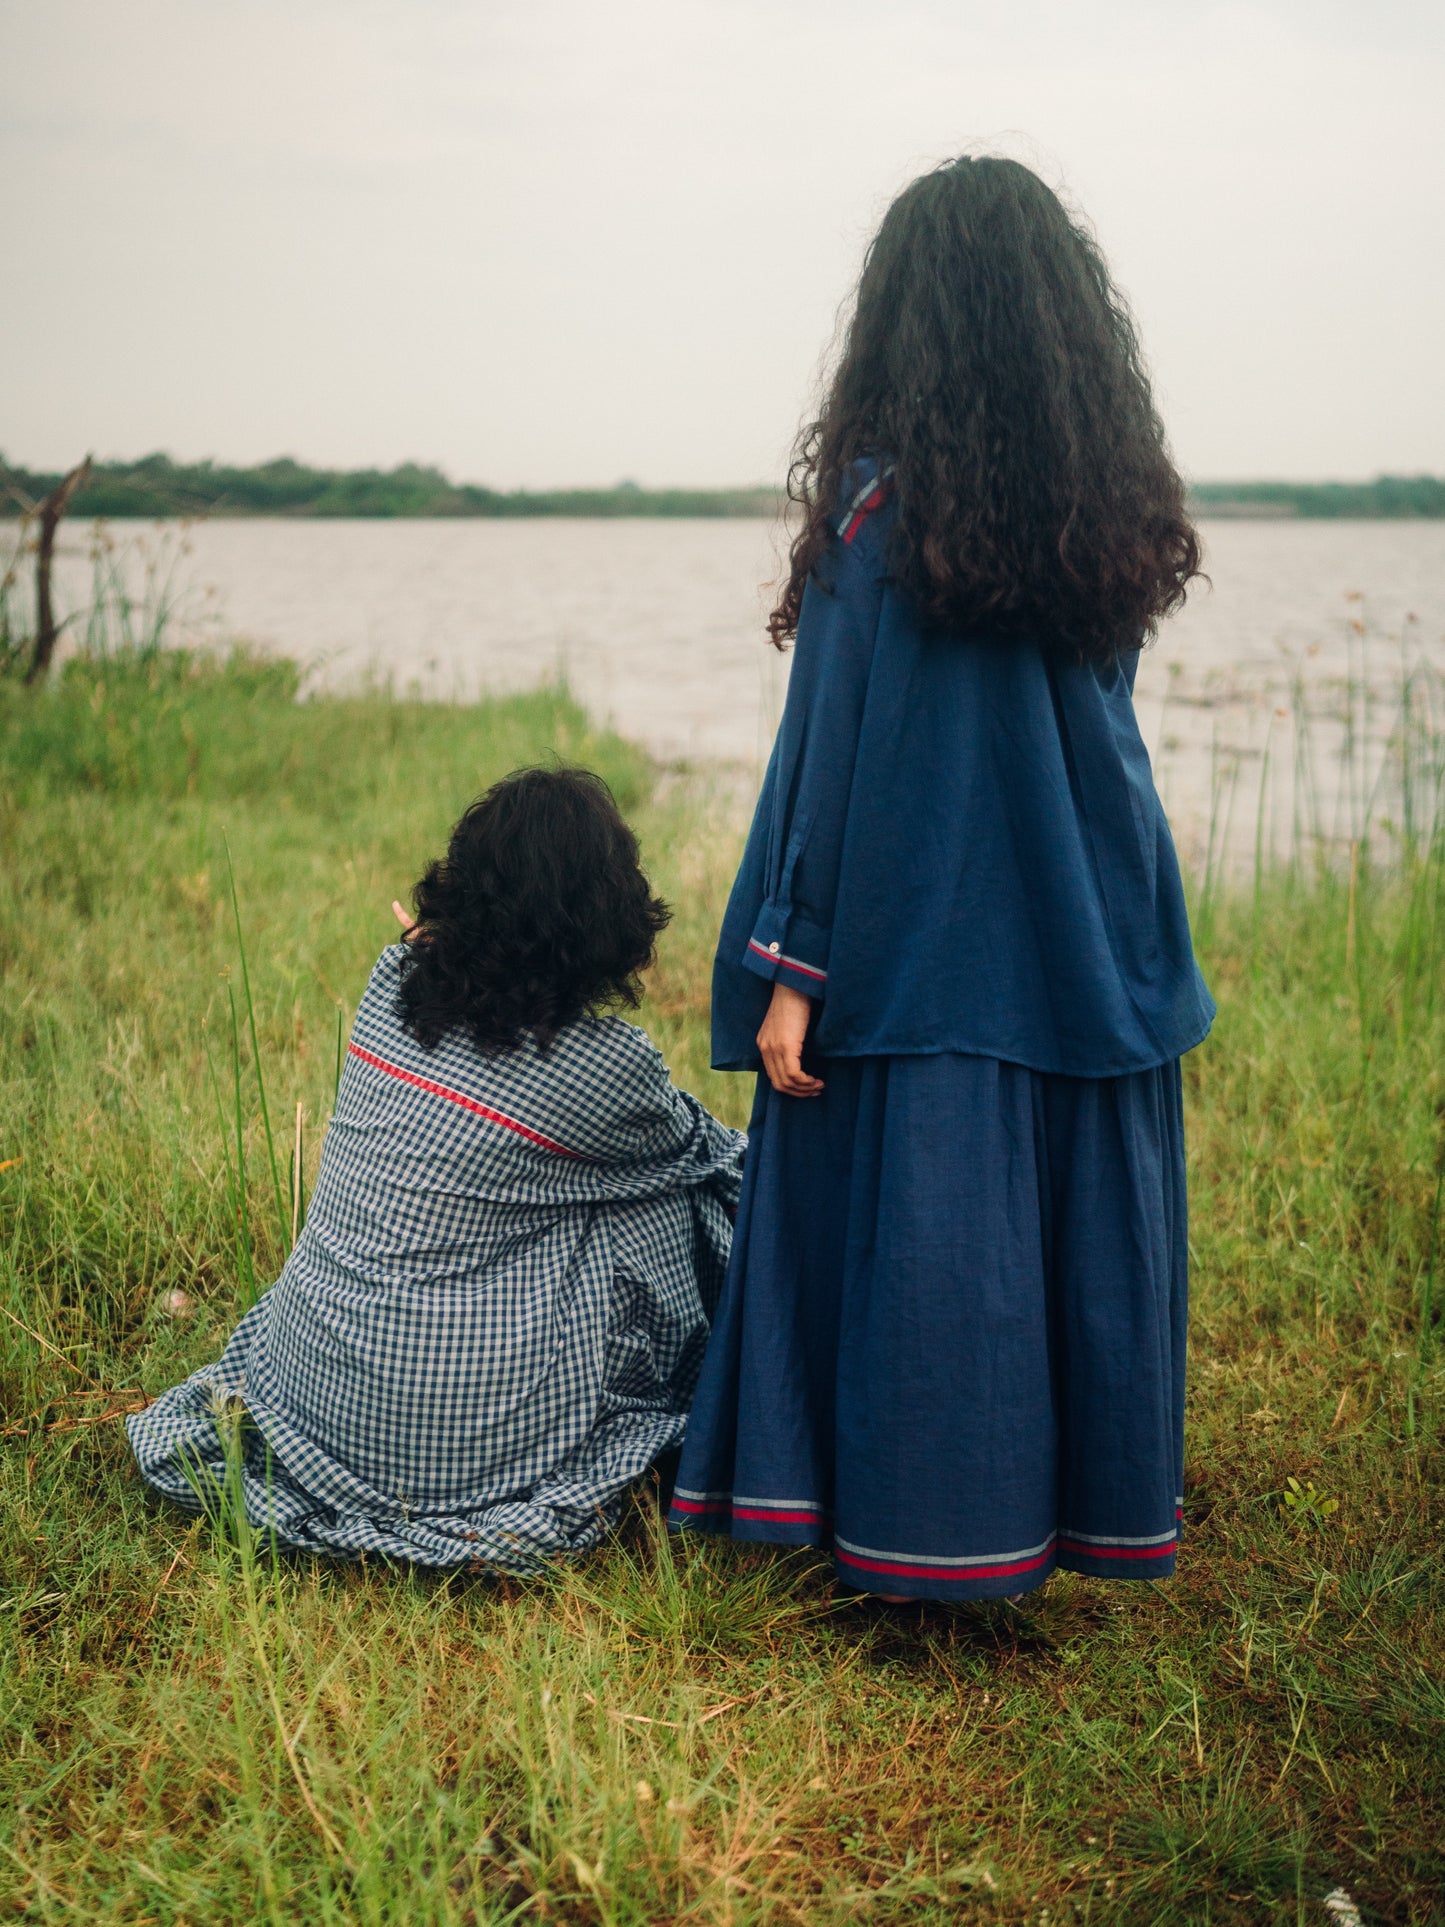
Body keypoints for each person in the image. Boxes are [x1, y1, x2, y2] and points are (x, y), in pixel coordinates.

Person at [668, 155, 1214, 1603]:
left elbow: (828, 763)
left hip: (921, 937)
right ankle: (1071, 1516)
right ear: (1066, 326)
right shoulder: (1114, 511)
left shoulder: (877, 516)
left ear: (902, 319)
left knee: (939, 1236)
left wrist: (790, 961)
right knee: (1060, 1234)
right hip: (1090, 924)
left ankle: (913, 1532)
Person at [129, 768, 745, 1574]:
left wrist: (434, 937)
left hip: (313, 1398)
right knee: (669, 1200)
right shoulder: (604, 1072)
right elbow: (725, 1160)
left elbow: (429, 962)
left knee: (612, 1183)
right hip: (450, 1451)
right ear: (604, 915)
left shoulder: (388, 989)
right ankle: (750, 1394)